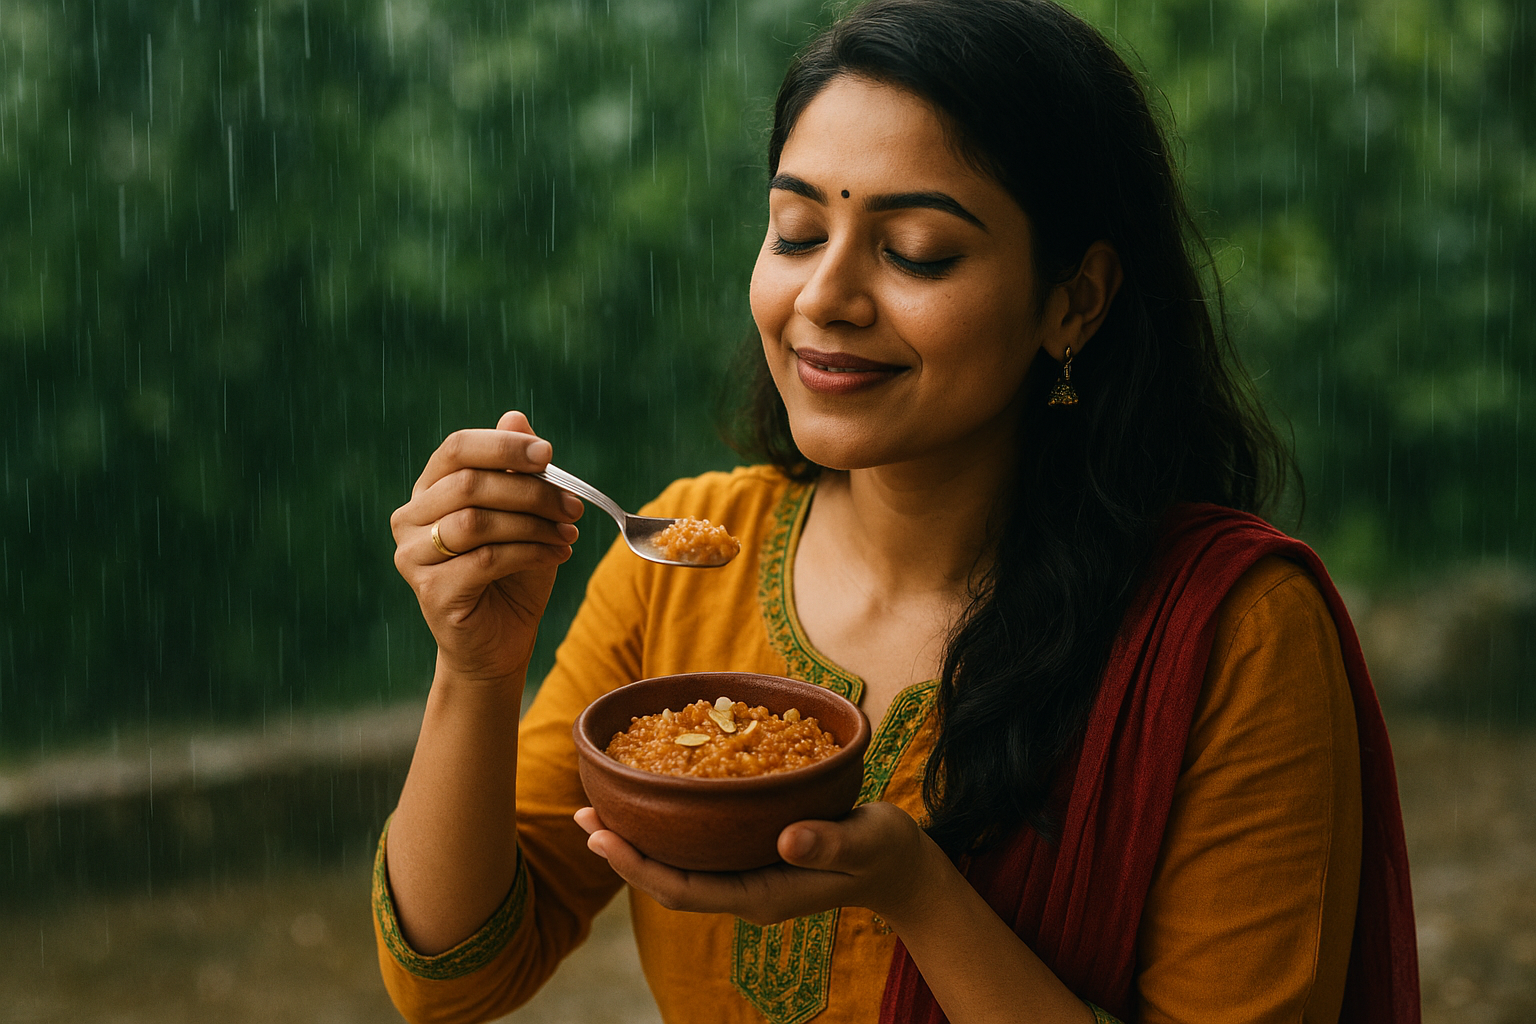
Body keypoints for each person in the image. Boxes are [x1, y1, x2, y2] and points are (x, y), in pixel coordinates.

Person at [373, 1, 1420, 1021]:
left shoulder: (1228, 632)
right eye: (794, 232)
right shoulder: (685, 557)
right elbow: (453, 975)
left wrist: (917, 893)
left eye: (915, 250)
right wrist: (475, 667)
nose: (825, 295)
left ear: (1074, 302)